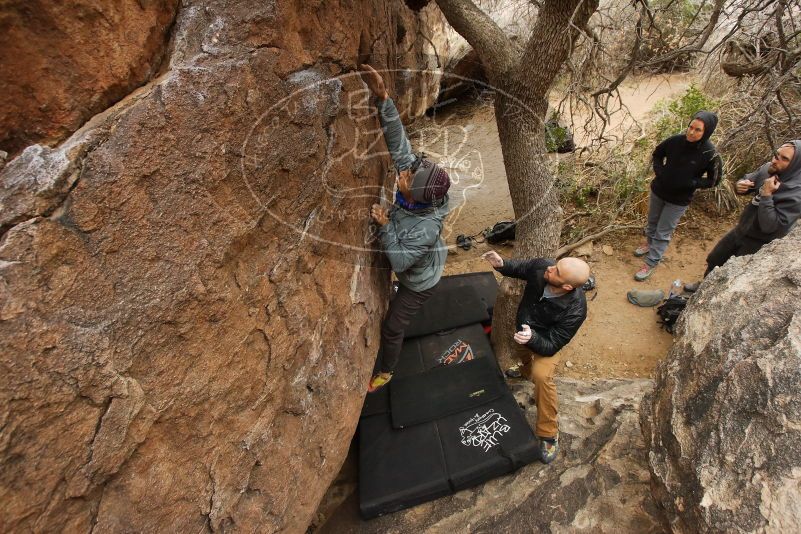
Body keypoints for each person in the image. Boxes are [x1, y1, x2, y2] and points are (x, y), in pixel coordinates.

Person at [360, 64, 451, 393]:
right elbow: (400, 146)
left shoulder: (424, 228)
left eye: (407, 179)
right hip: (420, 253)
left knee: (393, 327)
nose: (402, 175)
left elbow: (399, 263)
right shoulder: (424, 188)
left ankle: (387, 371)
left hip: (419, 281)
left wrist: (385, 226)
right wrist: (383, 98)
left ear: (418, 194)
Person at [481, 251, 590, 464]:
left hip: (545, 340)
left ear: (567, 287)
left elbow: (552, 346)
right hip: (525, 330)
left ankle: (549, 433)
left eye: (557, 271)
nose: (550, 268)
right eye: (555, 265)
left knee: (541, 376)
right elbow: (522, 268)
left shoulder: (575, 311)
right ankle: (523, 372)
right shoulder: (544, 267)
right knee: (522, 356)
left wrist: (533, 338)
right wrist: (502, 263)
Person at [634, 111, 722, 281]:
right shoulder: (675, 141)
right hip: (659, 191)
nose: (691, 132)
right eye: (691, 127)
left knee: (663, 231)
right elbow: (657, 154)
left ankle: (651, 262)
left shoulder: (710, 153)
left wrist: (692, 182)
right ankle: (649, 245)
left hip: (678, 200)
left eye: (698, 130)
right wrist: (660, 172)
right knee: (652, 223)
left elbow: (714, 180)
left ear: (707, 132)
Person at [704, 140, 801, 277]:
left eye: (784, 159)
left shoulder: (796, 194)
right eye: (776, 154)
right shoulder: (768, 169)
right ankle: (699, 288)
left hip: (759, 243)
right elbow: (749, 178)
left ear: (796, 165)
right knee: (715, 259)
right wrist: (740, 185)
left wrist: (767, 195)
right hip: (742, 229)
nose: (775, 160)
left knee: (731, 276)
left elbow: (770, 226)